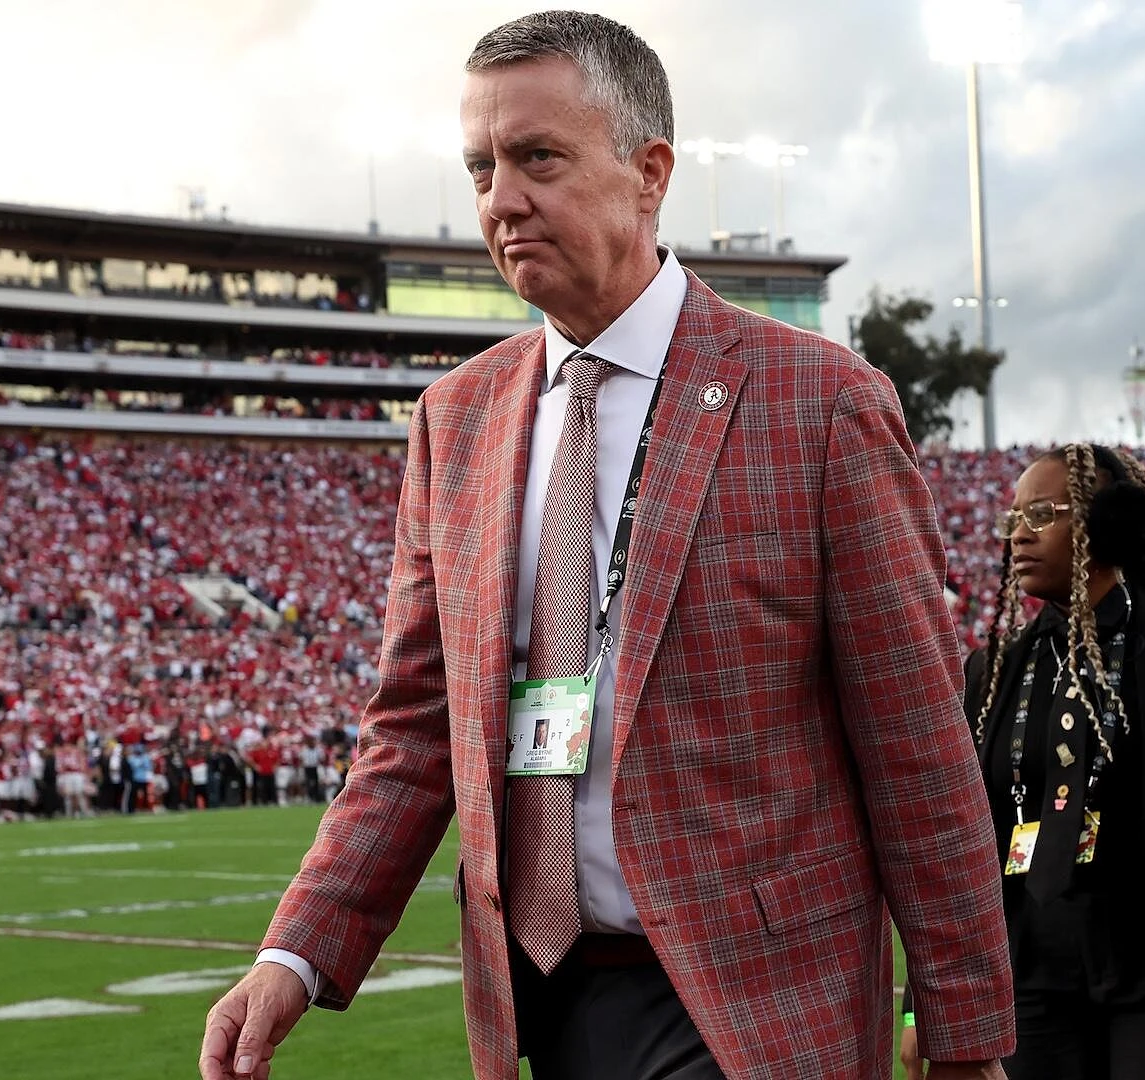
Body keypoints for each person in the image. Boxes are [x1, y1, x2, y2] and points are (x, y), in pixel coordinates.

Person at [199, 11, 1013, 1080]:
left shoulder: (818, 402)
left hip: (754, 1000)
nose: (500, 199)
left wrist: (963, 1032)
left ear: (648, 173)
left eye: (537, 157)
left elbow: (915, 737)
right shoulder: (456, 418)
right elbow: (414, 725)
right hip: (534, 997)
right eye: (481, 166)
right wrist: (293, 954)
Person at [899, 444, 1145, 1080]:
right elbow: (961, 848)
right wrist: (920, 1006)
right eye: (1013, 519)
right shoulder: (992, 669)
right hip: (1030, 974)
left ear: (1105, 525)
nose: (1019, 535)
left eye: (1041, 514)